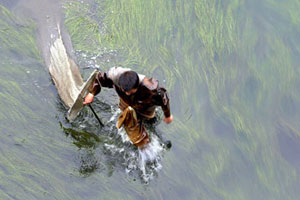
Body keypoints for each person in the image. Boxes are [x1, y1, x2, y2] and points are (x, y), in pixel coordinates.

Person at [83, 67, 173, 148]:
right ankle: (139, 143)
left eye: (130, 92)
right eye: (125, 90)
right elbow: (99, 78)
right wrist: (92, 93)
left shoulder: (150, 89)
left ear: (136, 87)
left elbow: (164, 99)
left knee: (150, 122)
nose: (127, 93)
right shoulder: (115, 76)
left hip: (144, 109)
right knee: (137, 136)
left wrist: (167, 115)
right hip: (125, 103)